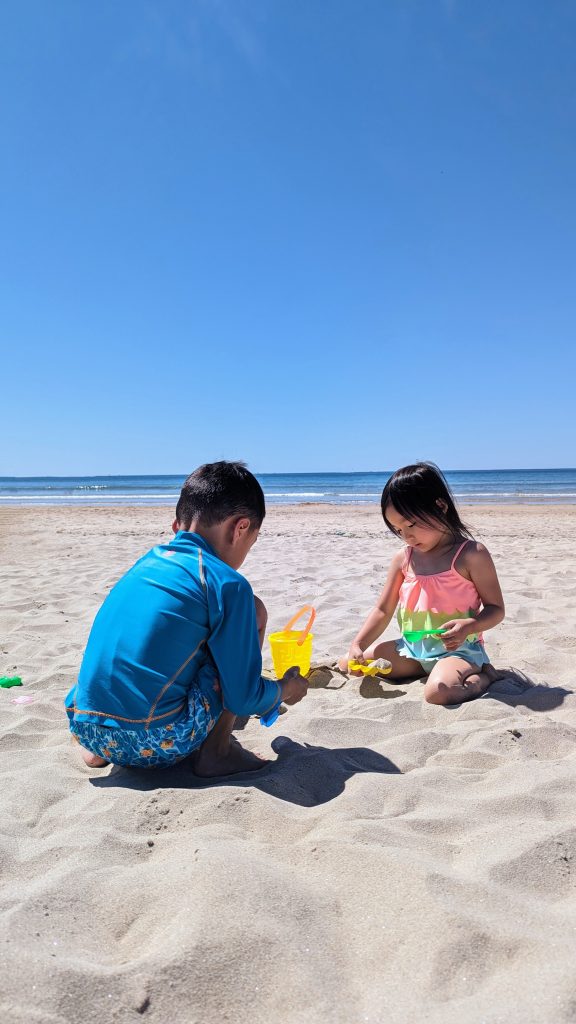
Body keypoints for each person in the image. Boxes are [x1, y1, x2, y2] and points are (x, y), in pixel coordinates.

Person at [65, 461, 308, 776]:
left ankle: (99, 752)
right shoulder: (227, 583)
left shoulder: (144, 564)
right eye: (252, 542)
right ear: (241, 528)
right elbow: (245, 698)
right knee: (254, 611)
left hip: (88, 728)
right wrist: (284, 689)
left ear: (177, 527)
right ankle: (217, 752)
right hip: (154, 740)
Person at [339, 463, 505, 705]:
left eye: (411, 524)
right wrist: (358, 643)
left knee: (439, 692)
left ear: (440, 506)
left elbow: (496, 609)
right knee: (348, 663)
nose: (407, 536)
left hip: (458, 651)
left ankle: (485, 676)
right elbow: (383, 610)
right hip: (412, 650)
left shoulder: (471, 554)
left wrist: (470, 626)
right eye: (397, 529)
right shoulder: (403, 559)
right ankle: (424, 670)